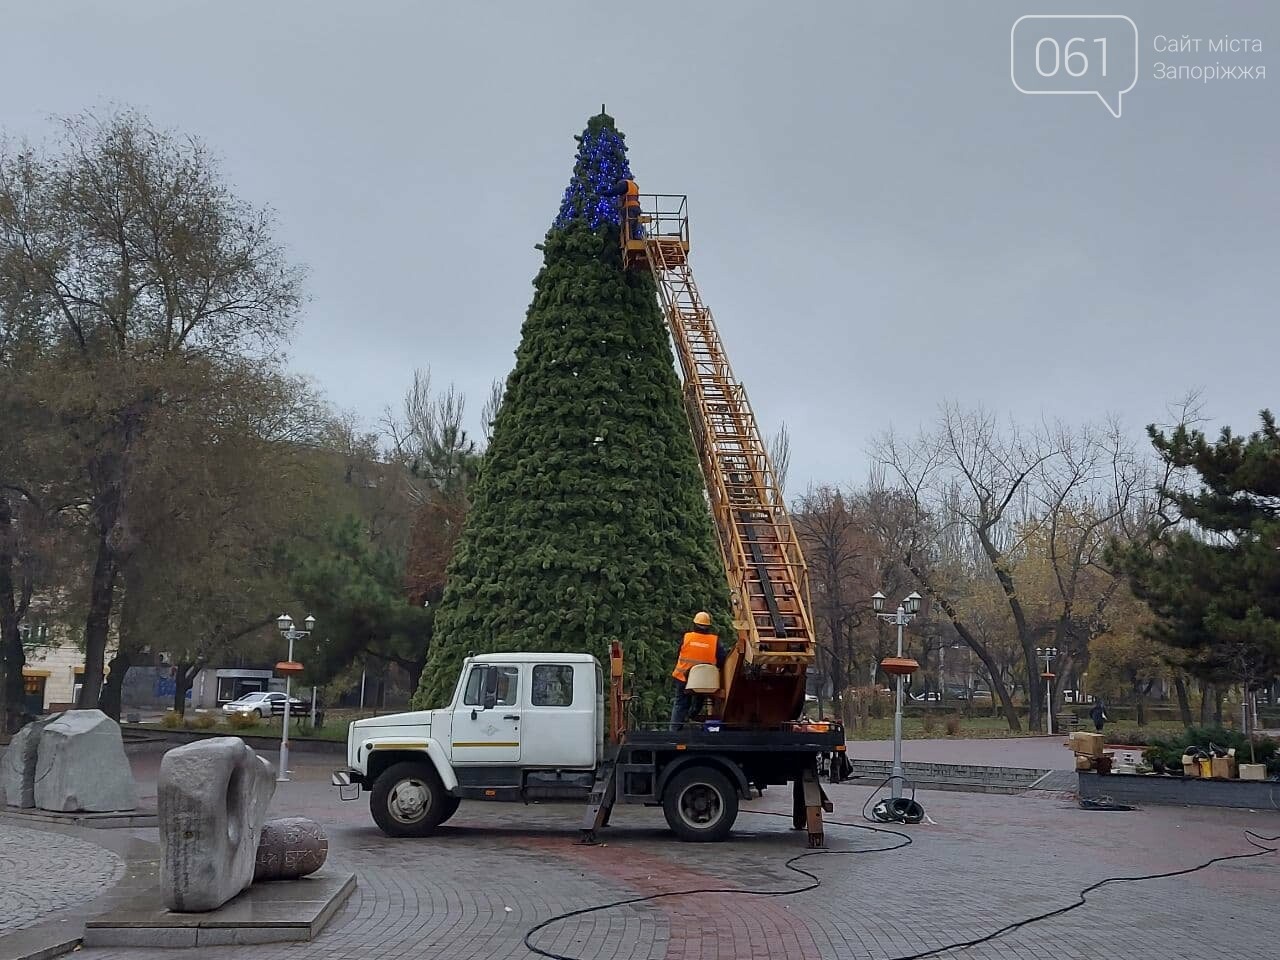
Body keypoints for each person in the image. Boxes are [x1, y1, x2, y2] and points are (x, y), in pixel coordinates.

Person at [670, 611, 728, 727]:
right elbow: (722, 660)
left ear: (694, 625)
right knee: (700, 697)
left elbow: (678, 653)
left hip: (683, 677)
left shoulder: (687, 637)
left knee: (680, 703)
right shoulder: (715, 641)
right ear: (708, 627)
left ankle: (674, 731)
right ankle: (691, 715)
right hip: (703, 681)